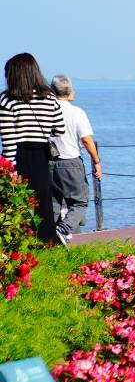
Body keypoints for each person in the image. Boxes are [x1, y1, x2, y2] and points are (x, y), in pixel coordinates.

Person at [0, 53, 65, 244]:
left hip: (20, 155)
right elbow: (59, 129)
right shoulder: (50, 97)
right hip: (42, 155)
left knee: (20, 202)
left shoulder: (7, 100)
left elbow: (9, 141)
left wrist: (8, 171)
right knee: (42, 200)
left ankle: (23, 242)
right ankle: (47, 241)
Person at [49, 77, 100, 239]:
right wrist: (96, 161)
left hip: (48, 163)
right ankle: (63, 230)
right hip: (70, 162)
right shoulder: (77, 112)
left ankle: (49, 236)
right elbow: (86, 139)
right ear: (69, 91)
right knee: (79, 202)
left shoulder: (46, 111)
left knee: (54, 203)